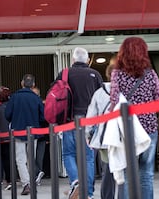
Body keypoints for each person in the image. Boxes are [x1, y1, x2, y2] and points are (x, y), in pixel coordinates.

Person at [109, 37, 159, 199]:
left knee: (127, 173)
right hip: (149, 128)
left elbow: (114, 101)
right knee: (146, 173)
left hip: (127, 129)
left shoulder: (117, 74)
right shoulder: (150, 74)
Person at [56, 47, 103, 199]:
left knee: (68, 154)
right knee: (89, 157)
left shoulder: (65, 73)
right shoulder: (95, 74)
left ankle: (75, 181)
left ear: (73, 60)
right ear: (88, 60)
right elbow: (101, 99)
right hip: (90, 121)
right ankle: (88, 193)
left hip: (69, 120)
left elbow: (56, 96)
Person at [5, 74, 45, 196]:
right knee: (30, 158)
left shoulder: (14, 97)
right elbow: (42, 117)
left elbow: (7, 115)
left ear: (22, 83)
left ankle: (26, 183)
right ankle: (32, 182)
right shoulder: (36, 98)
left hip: (18, 131)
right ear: (33, 84)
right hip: (33, 132)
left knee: (20, 159)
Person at [86, 57, 118, 199]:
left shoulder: (99, 93)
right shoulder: (127, 91)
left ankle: (107, 197)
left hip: (105, 137)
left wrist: (88, 134)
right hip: (123, 137)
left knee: (108, 170)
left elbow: (91, 116)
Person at [32, 86, 47, 186]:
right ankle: (37, 174)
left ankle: (37, 175)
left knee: (36, 157)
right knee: (35, 157)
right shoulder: (42, 104)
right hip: (39, 134)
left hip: (39, 134)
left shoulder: (37, 105)